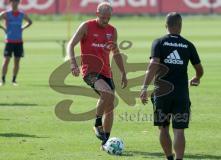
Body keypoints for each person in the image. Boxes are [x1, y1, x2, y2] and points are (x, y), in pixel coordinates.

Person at [140, 12, 203, 160]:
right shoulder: (188, 45)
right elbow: (199, 69)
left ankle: (169, 157)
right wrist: (197, 78)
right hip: (181, 94)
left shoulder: (159, 42)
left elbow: (153, 65)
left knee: (163, 127)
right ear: (180, 26)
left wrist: (144, 88)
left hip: (162, 93)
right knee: (179, 130)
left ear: (165, 25)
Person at [67, 2, 127, 148]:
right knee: (106, 93)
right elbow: (70, 44)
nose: (106, 20)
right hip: (90, 71)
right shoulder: (86, 26)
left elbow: (116, 53)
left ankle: (105, 142)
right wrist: (73, 64)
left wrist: (123, 73)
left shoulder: (112, 31)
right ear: (97, 14)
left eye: (108, 17)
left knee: (110, 106)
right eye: (103, 17)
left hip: (106, 72)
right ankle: (97, 123)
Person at [0, 0, 32, 86]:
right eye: (13, 1)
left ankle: (14, 80)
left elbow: (30, 22)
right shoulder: (6, 14)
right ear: (10, 3)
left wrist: (22, 28)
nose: (15, 3)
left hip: (19, 41)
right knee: (6, 60)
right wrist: (3, 28)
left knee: (17, 61)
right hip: (9, 41)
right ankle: (2, 80)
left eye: (16, 1)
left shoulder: (22, 14)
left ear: (19, 3)